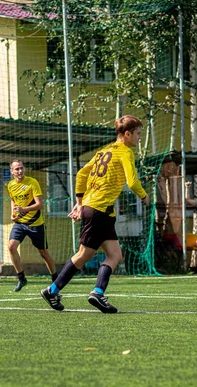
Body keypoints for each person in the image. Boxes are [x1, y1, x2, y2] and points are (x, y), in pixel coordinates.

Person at [41, 115, 150, 313]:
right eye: (138, 134)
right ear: (127, 134)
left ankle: (84, 292)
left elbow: (82, 173)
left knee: (114, 255)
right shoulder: (125, 152)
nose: (140, 138)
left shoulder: (104, 151)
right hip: (99, 209)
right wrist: (144, 196)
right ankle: (63, 290)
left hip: (100, 210)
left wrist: (80, 202)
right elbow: (133, 182)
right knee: (84, 254)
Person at [7, 159, 58, 292]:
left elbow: (40, 205)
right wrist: (13, 213)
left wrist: (23, 209)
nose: (20, 171)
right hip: (20, 223)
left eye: (21, 168)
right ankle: (21, 278)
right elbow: (13, 200)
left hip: (36, 224)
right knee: (11, 247)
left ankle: (56, 280)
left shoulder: (32, 182)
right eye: (17, 169)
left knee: (44, 253)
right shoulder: (11, 185)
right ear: (11, 171)